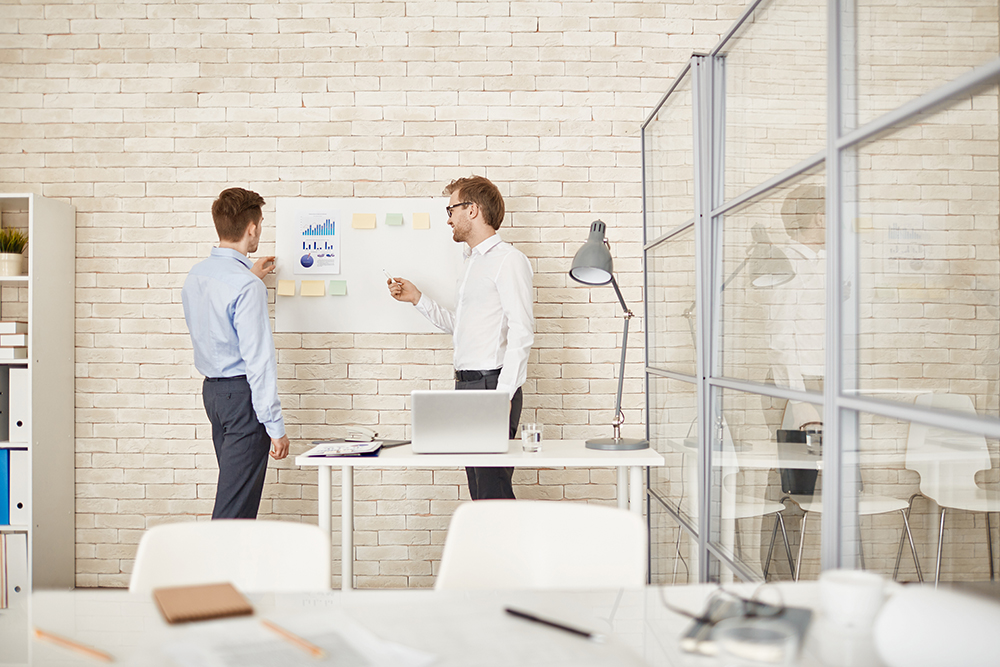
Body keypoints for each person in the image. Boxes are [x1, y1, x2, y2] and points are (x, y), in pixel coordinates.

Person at [387, 176, 534, 500]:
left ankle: (509, 551)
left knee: (493, 491)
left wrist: (503, 394)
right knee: (479, 491)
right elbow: (464, 325)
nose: (448, 218)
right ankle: (486, 551)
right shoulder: (471, 264)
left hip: (492, 385)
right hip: (467, 386)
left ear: (473, 210)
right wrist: (417, 299)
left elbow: (522, 331)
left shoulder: (508, 261)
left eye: (451, 209)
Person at [182, 187, 289, 519]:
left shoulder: (197, 275)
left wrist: (251, 275)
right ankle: (212, 571)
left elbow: (217, 322)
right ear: (253, 228)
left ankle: (231, 572)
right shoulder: (245, 287)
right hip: (242, 399)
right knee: (233, 514)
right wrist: (275, 425)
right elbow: (258, 361)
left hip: (213, 394)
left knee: (234, 499)